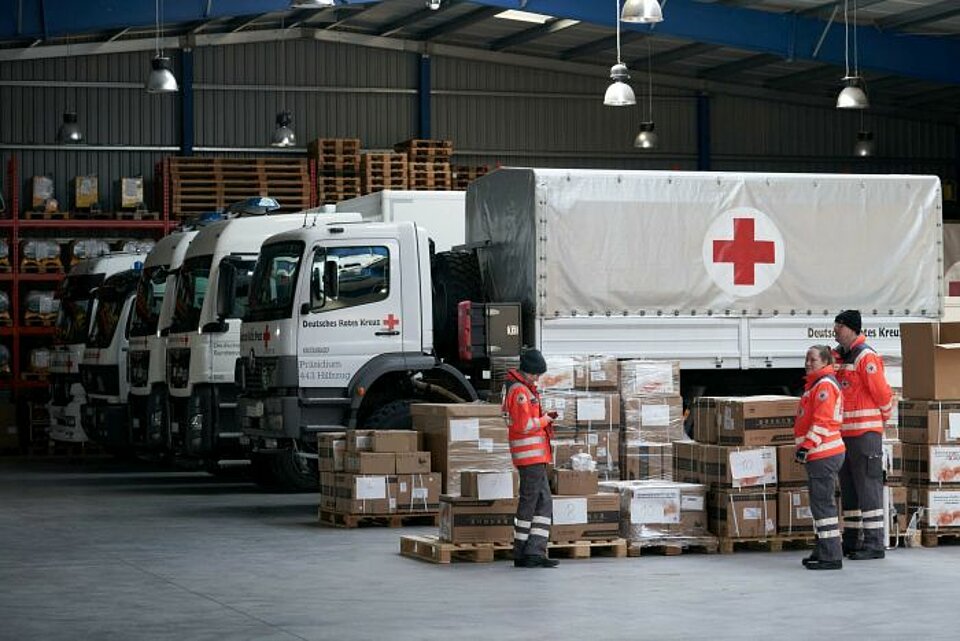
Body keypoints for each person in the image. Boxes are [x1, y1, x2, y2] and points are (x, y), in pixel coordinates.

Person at [833, 310, 894, 560]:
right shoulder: (841, 356)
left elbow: (881, 393)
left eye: (840, 326)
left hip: (865, 434)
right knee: (849, 489)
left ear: (852, 328)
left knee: (868, 487)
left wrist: (885, 416)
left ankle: (874, 543)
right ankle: (852, 539)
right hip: (845, 435)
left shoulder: (865, 356)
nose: (835, 330)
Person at [502, 348, 559, 568]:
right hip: (530, 457)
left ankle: (532, 551)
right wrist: (545, 419)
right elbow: (524, 425)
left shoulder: (521, 389)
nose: (538, 378)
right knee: (532, 502)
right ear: (528, 371)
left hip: (533, 457)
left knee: (542, 501)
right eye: (536, 374)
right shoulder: (520, 392)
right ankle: (525, 551)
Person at [794, 345, 846, 570]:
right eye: (806, 358)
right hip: (820, 453)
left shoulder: (824, 385)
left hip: (823, 453)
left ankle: (831, 555)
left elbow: (822, 421)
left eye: (813, 359)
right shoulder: (816, 384)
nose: (808, 363)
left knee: (823, 507)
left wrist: (807, 445)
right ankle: (823, 548)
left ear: (825, 362)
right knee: (819, 506)